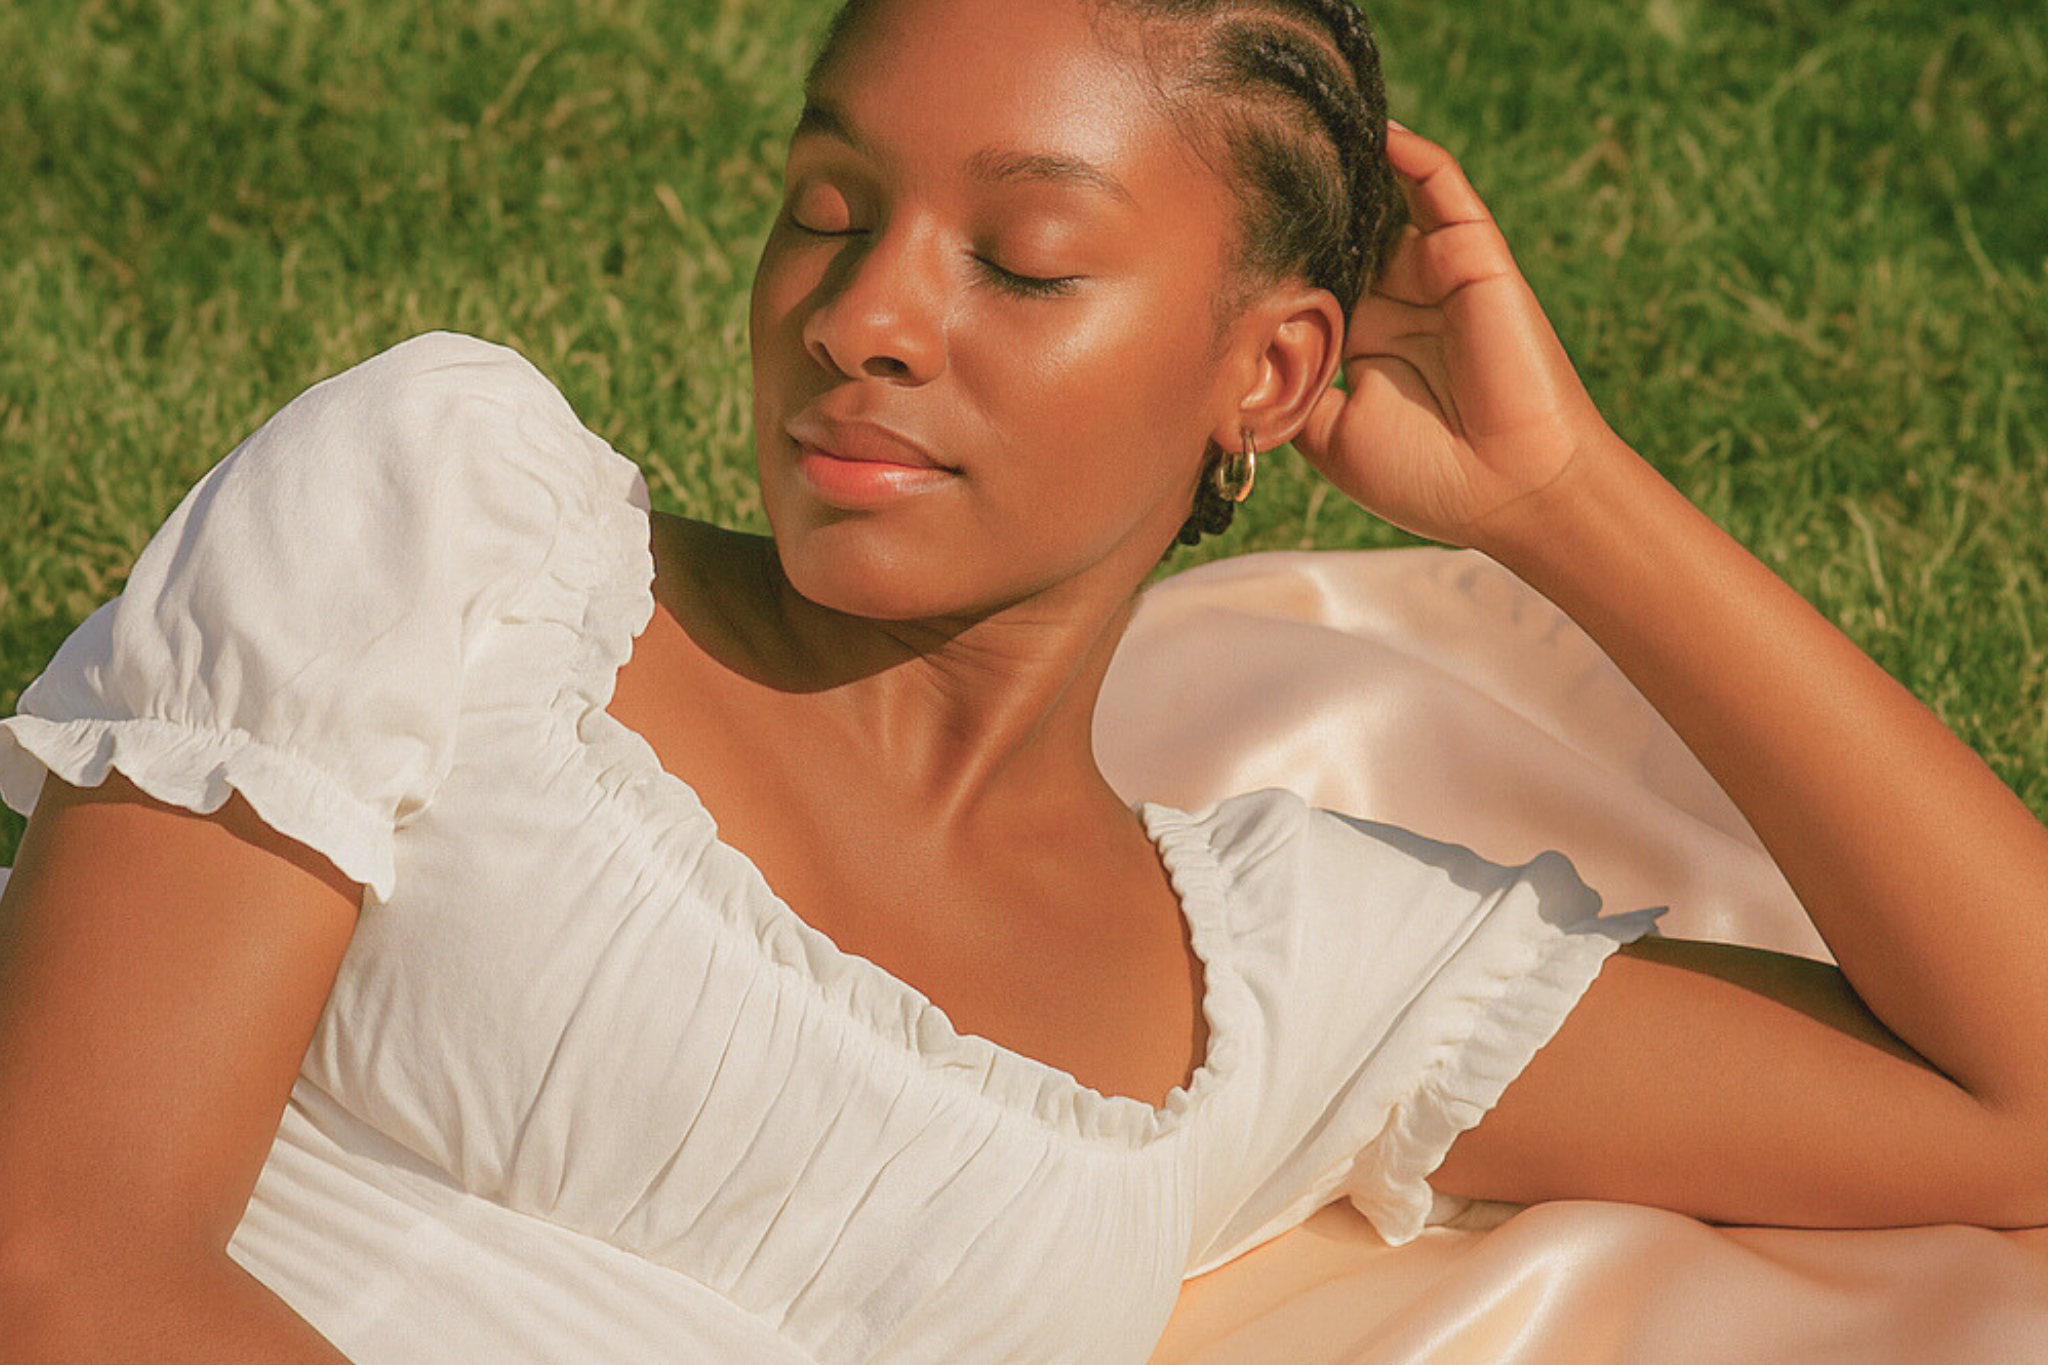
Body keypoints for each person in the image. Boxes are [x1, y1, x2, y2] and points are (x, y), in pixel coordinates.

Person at [1, 0, 2043, 1360]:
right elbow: (66, 1258)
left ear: (1268, 377)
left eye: (1024, 260)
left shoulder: (1273, 984)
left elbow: (2017, 1101)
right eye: (825, 208)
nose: (865, 313)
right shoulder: (455, 519)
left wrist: (1564, 501)